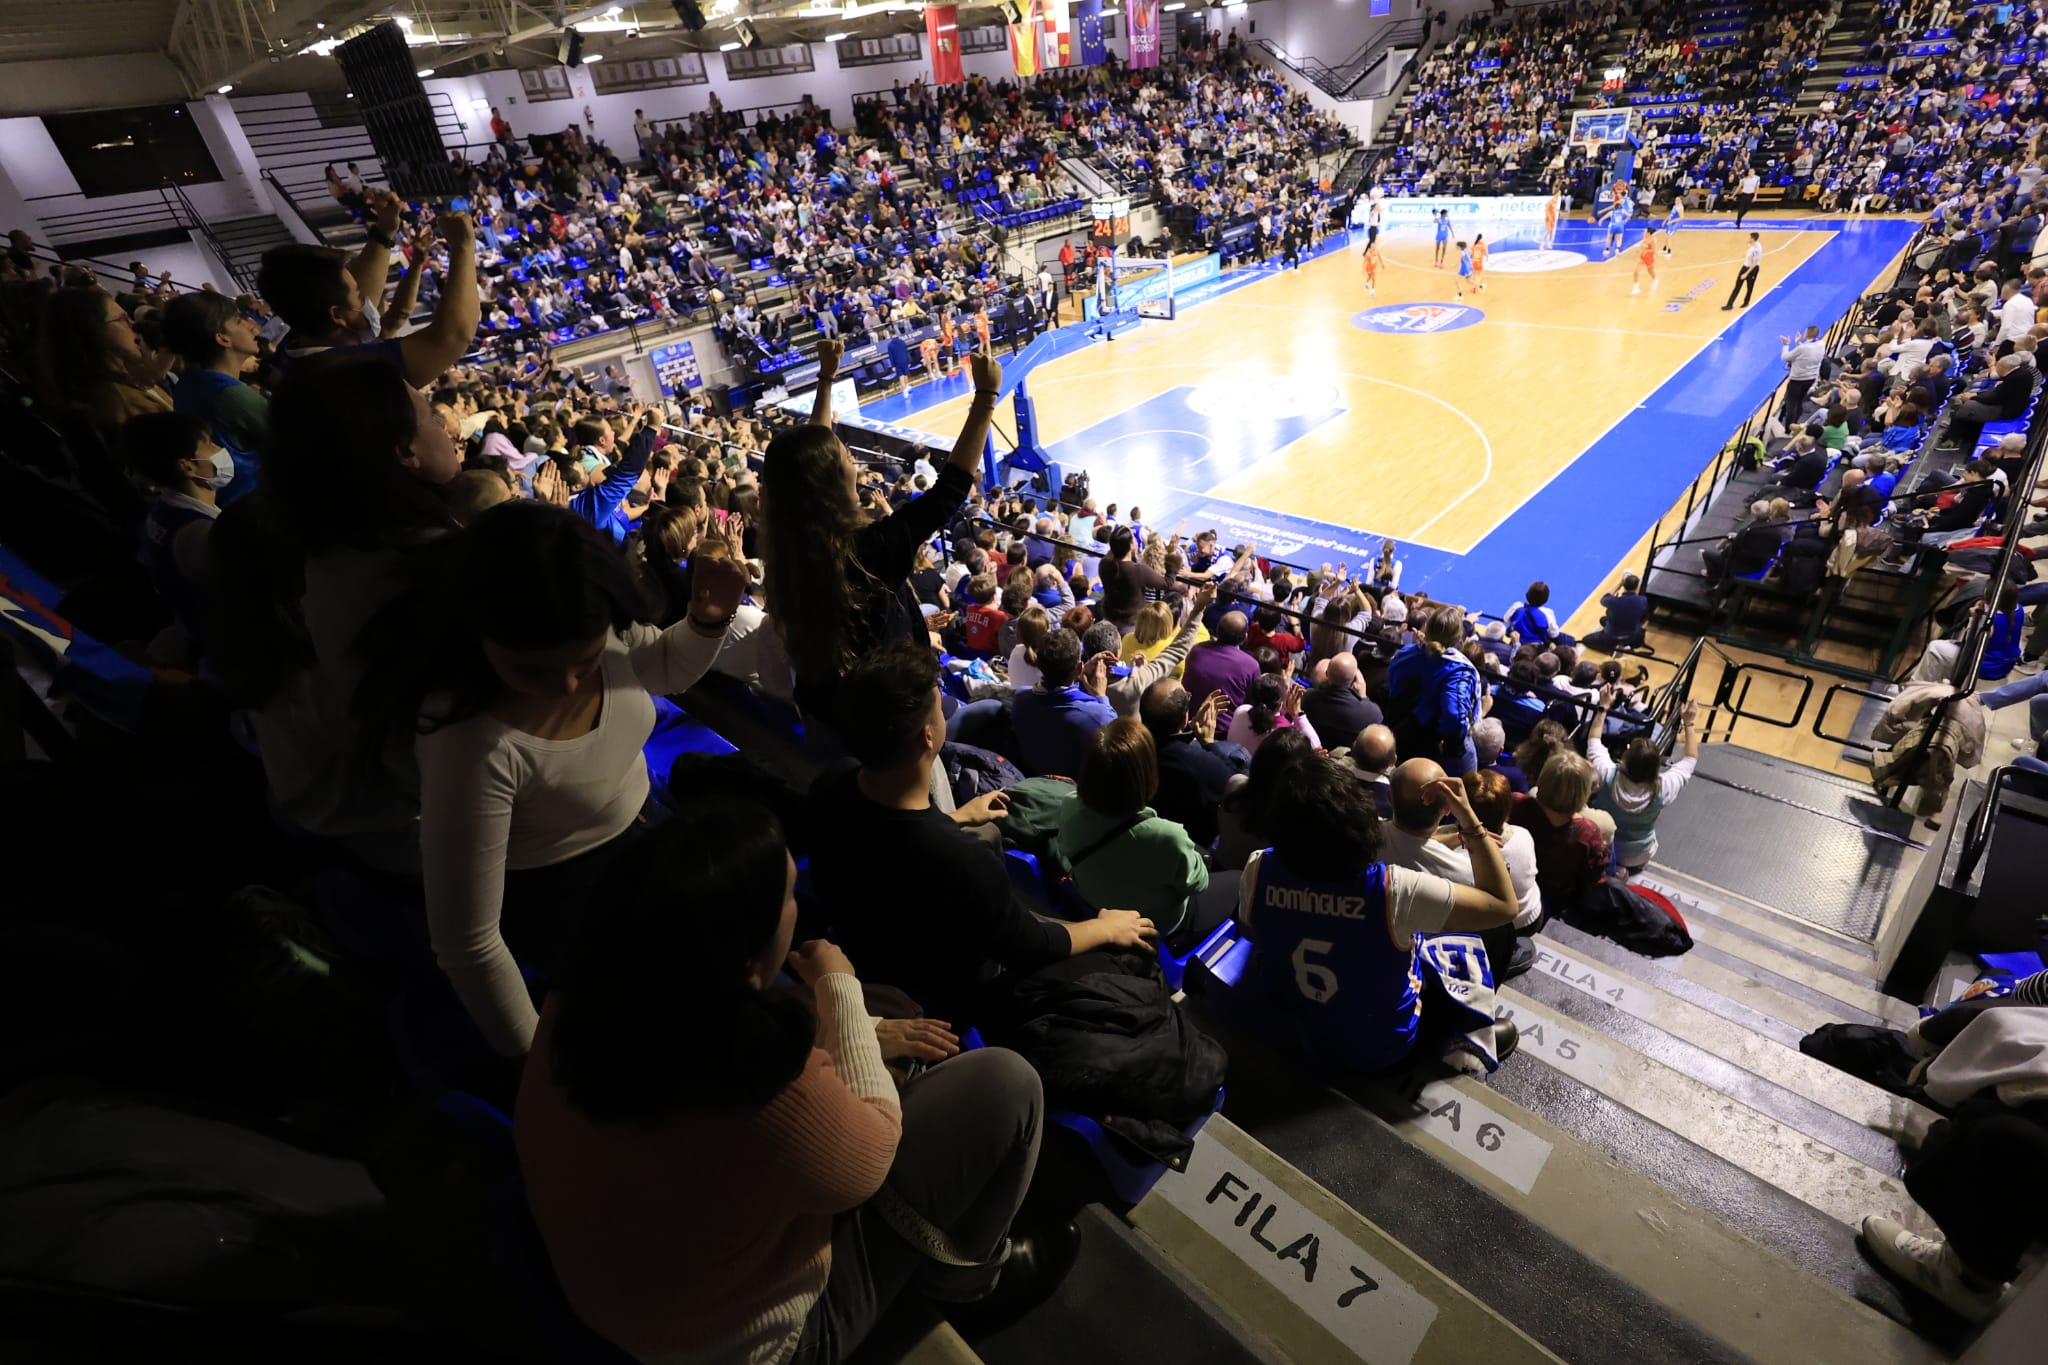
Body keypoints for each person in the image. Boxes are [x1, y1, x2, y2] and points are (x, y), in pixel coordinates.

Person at [516, 801, 1059, 1364]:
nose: (796, 909)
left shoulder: (577, 1000)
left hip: (605, 1287)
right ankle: (966, 1284)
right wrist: (839, 985)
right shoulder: (759, 1080)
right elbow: (871, 1155)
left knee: (887, 1027)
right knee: (1009, 1082)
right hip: (741, 1343)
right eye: (788, 896)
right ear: (747, 950)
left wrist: (860, 1032)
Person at [355, 502, 749, 1057]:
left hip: (647, 825)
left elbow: (662, 669)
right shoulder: (471, 745)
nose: (567, 686)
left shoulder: (595, 617)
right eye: (531, 669)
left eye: (584, 663)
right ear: (477, 636)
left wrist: (707, 618)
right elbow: (469, 943)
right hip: (569, 893)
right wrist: (537, 1064)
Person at [806, 641, 1155, 1026]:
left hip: (866, 942)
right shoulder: (963, 862)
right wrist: (1105, 927)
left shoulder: (831, 782)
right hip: (942, 990)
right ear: (927, 736)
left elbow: (891, 837)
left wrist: (954, 818)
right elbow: (1030, 947)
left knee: (986, 832)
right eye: (939, 708)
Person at [760, 337, 1001, 721]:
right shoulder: (868, 550)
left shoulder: (787, 550)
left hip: (832, 711)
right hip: (892, 722)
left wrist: (826, 378)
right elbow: (949, 491)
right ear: (835, 481)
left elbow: (804, 466)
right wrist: (986, 396)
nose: (853, 461)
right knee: (990, 715)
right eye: (847, 457)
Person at [1233, 756, 1519, 1075]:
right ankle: (1446, 1043)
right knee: (1478, 943)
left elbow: (1256, 927)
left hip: (1296, 1026)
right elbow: (1504, 906)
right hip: (1379, 1049)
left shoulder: (1257, 868)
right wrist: (1470, 821)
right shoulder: (1394, 889)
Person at [256, 203, 480, 387]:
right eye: (359, 294)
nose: (367, 300)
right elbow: (453, 336)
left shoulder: (297, 343)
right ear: (337, 315)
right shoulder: (348, 371)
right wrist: (463, 247)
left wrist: (385, 231)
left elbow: (379, 301)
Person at [1054, 720, 1213, 942]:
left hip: (1096, 908)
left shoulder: (1069, 804)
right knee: (1234, 882)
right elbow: (1199, 883)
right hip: (1159, 926)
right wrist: (1198, 861)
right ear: (1146, 773)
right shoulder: (1168, 836)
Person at [1383, 759, 1543, 979]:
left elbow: (1412, 842)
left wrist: (1455, 837)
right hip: (1429, 967)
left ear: (1390, 798)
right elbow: (1507, 908)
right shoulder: (1468, 874)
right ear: (1448, 809)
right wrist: (1470, 822)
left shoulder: (1365, 837)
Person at [127, 411, 230, 655]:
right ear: (187, 466)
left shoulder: (163, 511)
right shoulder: (198, 534)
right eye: (209, 444)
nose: (219, 449)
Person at [162, 291, 267, 504]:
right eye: (238, 320)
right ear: (222, 338)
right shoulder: (230, 394)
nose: (250, 324)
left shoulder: (189, 383)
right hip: (258, 500)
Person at [34, 287, 173, 437]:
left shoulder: (117, 377)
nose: (132, 324)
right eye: (122, 319)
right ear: (93, 331)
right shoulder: (119, 400)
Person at [1587, 693, 1699, 874]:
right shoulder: (1664, 786)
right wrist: (1689, 722)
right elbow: (1690, 758)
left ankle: (1611, 866)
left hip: (1600, 844)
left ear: (1626, 757)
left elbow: (1593, 740)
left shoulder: (1606, 772)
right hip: (1637, 854)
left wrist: (1603, 707)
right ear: (1656, 765)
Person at [1139, 677, 1250, 848]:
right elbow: (1235, 784)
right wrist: (1209, 743)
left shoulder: (1129, 750)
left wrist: (1189, 730)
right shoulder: (1200, 764)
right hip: (1188, 849)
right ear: (1184, 718)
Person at [1011, 625, 1117, 777]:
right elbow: (1112, 731)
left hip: (1034, 778)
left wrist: (1080, 672)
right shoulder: (1098, 716)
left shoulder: (1021, 698)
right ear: (1078, 667)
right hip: (1074, 789)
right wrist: (1101, 695)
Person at [1510, 751, 1611, 911]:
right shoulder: (1589, 832)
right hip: (1556, 897)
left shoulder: (1514, 803)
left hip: (1511, 880)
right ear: (1584, 792)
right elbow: (1594, 879)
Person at [1182, 610, 1262, 713]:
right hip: (1228, 727)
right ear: (1244, 638)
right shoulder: (1251, 665)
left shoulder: (1196, 650)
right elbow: (1255, 703)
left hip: (1190, 719)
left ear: (1218, 631)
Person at [1226, 673, 1319, 756]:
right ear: (1281, 703)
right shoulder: (1285, 733)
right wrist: (1297, 714)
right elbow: (1316, 747)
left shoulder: (1241, 711)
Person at [1302, 652, 1383, 745]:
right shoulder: (1372, 713)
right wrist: (1363, 697)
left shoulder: (1306, 699)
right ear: (1355, 679)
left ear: (1327, 674)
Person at [1583, 574, 1649, 653]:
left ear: (1624, 586)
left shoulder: (1614, 601)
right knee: (1603, 620)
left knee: (1586, 640)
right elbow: (1635, 599)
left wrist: (1619, 584)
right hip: (1631, 635)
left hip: (1611, 636)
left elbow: (1604, 598)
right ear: (1637, 586)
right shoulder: (1642, 600)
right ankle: (1625, 645)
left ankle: (1611, 647)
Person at [1723, 231, 1763, 310]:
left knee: (1749, 287)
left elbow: (1754, 263)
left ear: (1753, 239)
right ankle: (1729, 304)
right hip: (1745, 266)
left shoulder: (1757, 249)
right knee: (1737, 286)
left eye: (1750, 238)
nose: (1748, 239)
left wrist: (1746, 274)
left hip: (1752, 269)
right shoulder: (1755, 244)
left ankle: (1746, 302)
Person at [1630, 228, 1658, 296]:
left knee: (1650, 270)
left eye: (1645, 231)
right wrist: (1638, 249)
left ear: (1648, 233)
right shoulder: (1645, 238)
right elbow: (1642, 245)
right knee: (1636, 271)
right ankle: (1636, 288)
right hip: (1642, 257)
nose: (1644, 232)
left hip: (1649, 257)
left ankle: (1655, 279)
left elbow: (1654, 250)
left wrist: (1647, 251)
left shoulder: (1652, 240)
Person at [1362, 226, 1383, 299]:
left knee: (1374, 278)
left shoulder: (1377, 251)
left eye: (1374, 246)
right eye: (1373, 247)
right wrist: (1362, 270)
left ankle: (1372, 291)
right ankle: (1366, 283)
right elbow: (1364, 262)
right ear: (1371, 247)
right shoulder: (1368, 253)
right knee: (1371, 277)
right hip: (1368, 267)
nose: (1374, 247)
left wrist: (1382, 264)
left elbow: (1379, 257)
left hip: (1374, 267)